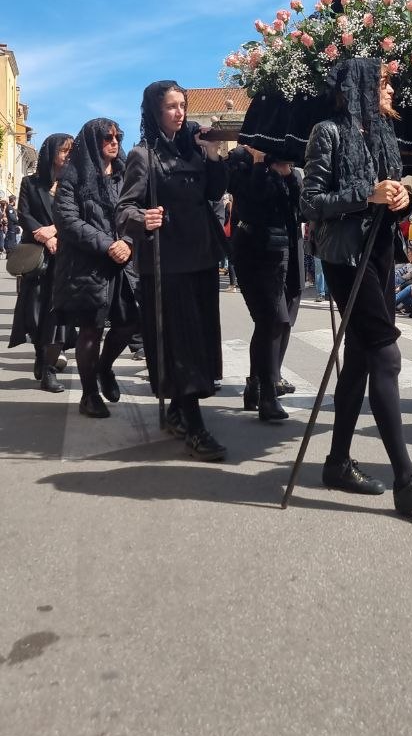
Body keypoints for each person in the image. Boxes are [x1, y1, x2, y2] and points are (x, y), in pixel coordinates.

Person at [301, 58, 412, 514]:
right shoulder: (327, 132)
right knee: (386, 355)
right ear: (361, 88)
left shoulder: (383, 134)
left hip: (378, 253)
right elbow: (310, 202)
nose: (391, 92)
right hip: (345, 258)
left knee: (359, 360)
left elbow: (393, 200)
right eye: (384, 84)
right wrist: (365, 195)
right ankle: (406, 480)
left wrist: (402, 199)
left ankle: (337, 463)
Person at [116, 81, 227, 460]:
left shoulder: (192, 149)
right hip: (168, 263)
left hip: (201, 257)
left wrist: (212, 155)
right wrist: (142, 218)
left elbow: (214, 193)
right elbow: (123, 209)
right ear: (154, 111)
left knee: (200, 340)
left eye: (183, 105)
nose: (180, 113)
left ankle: (180, 410)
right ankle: (196, 428)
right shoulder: (142, 155)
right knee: (182, 343)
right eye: (171, 107)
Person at [53, 120, 140, 418]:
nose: (114, 142)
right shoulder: (72, 177)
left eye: (118, 136)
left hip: (123, 264)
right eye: (107, 137)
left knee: (129, 323)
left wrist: (128, 242)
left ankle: (104, 368)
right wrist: (107, 244)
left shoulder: (125, 174)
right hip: (87, 266)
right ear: (93, 141)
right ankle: (89, 394)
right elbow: (68, 220)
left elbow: (137, 211)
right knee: (91, 329)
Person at [226, 143, 303, 421]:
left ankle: (257, 385)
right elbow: (251, 201)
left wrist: (288, 173)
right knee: (270, 318)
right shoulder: (240, 160)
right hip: (253, 250)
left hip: (284, 249)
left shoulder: (287, 164)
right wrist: (259, 164)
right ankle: (267, 394)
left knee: (276, 321)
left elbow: (300, 208)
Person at [9, 133, 75, 391]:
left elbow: (77, 215)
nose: (68, 156)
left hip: (64, 257)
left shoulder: (74, 184)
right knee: (35, 312)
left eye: (71, 151)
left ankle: (49, 369)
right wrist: (45, 236)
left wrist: (55, 231)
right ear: (51, 153)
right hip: (36, 258)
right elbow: (23, 214)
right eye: (64, 151)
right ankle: (39, 352)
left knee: (56, 315)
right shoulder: (30, 183)